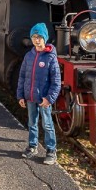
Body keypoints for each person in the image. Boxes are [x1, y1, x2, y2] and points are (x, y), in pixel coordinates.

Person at [17, 23, 61, 165]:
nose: (37, 40)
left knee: (47, 124)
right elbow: (22, 76)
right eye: (34, 37)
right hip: (30, 97)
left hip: (44, 99)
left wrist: (50, 98)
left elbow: (56, 81)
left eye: (40, 37)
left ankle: (51, 150)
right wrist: (20, 95)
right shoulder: (29, 56)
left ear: (45, 38)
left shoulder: (50, 58)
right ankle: (32, 146)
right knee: (32, 123)